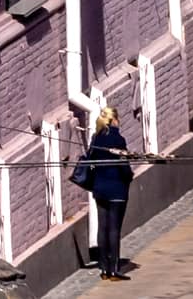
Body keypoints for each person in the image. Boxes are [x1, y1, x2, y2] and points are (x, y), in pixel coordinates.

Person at [86, 106, 134, 282]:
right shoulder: (118, 139)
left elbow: (89, 160)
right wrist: (129, 177)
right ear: (114, 120)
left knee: (103, 227)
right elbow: (124, 166)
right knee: (114, 229)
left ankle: (104, 268)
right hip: (116, 190)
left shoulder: (96, 139)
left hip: (100, 189)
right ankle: (114, 269)